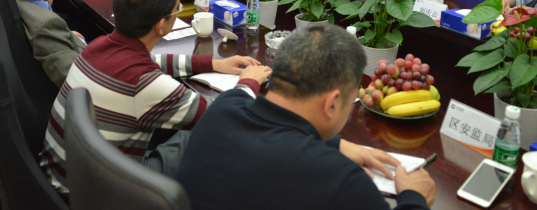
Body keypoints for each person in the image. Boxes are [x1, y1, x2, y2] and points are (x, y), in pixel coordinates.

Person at [40, 0, 272, 197]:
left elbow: (151, 60)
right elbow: (226, 116)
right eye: (177, 9)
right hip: (102, 196)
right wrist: (248, 83)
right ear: (161, 25)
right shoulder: (147, 85)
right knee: (205, 132)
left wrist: (213, 64)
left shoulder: (97, 45)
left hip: (64, 179)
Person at [176, 25, 435, 210]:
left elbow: (271, 138)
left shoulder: (224, 107)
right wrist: (414, 198)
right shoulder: (342, 181)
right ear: (332, 103)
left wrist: (336, 145)